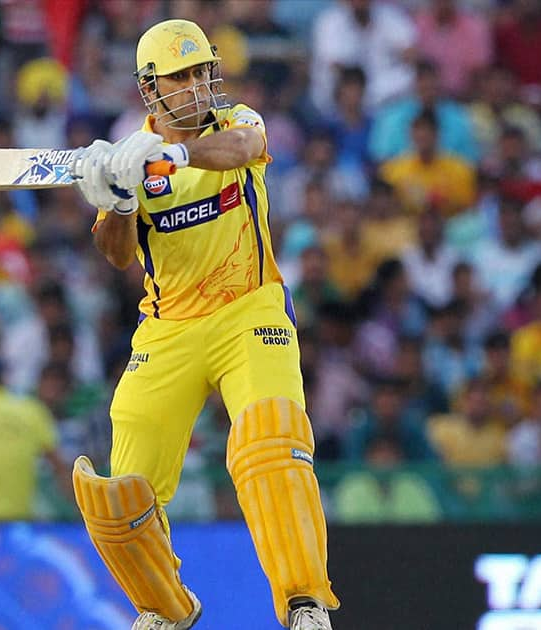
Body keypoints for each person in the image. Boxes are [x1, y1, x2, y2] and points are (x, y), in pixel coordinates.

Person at [69, 19, 338, 630]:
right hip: (168, 326)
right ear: (150, 88)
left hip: (250, 309)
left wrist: (175, 153)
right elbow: (116, 254)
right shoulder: (128, 155)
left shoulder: (238, 123)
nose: (196, 87)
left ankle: (304, 603)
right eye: (180, 77)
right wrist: (119, 200)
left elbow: (241, 152)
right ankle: (162, 608)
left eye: (202, 73)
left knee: (270, 438)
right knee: (123, 491)